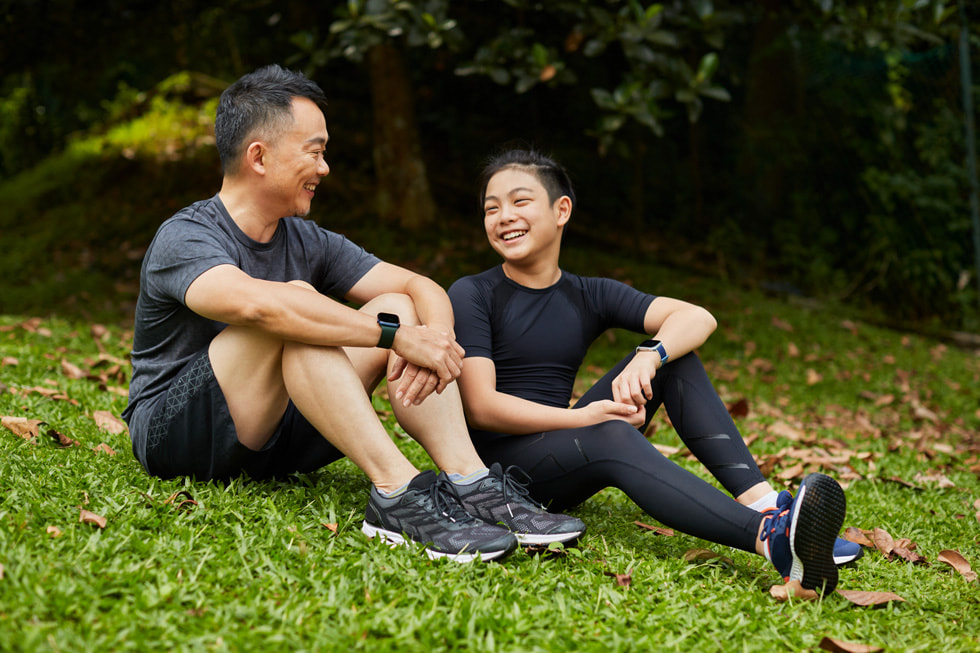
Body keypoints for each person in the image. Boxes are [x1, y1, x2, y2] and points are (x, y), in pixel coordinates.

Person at [122, 66, 585, 563]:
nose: (324, 168)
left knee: (398, 307)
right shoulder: (185, 236)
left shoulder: (307, 238)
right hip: (178, 439)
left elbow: (417, 285)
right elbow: (258, 305)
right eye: (315, 151)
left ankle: (472, 483)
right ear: (258, 156)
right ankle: (395, 491)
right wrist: (394, 339)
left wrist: (436, 337)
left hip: (279, 442)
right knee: (297, 306)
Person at [447, 148, 854, 591]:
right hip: (499, 476)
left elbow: (698, 318)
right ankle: (772, 539)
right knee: (609, 431)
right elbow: (480, 407)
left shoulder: (586, 294)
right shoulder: (473, 293)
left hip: (562, 449)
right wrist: (583, 418)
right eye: (491, 208)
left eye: (520, 201)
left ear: (561, 210)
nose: (504, 216)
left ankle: (765, 504)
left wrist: (649, 355)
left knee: (674, 358)